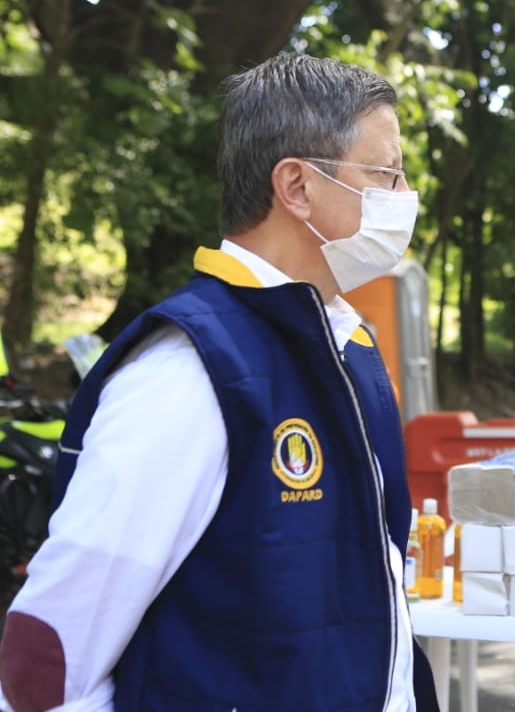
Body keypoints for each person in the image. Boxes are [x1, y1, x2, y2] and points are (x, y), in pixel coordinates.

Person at [0, 53, 441, 712]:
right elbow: (53, 651)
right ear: (296, 186)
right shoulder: (188, 371)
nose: (404, 199)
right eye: (384, 175)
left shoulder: (348, 348)